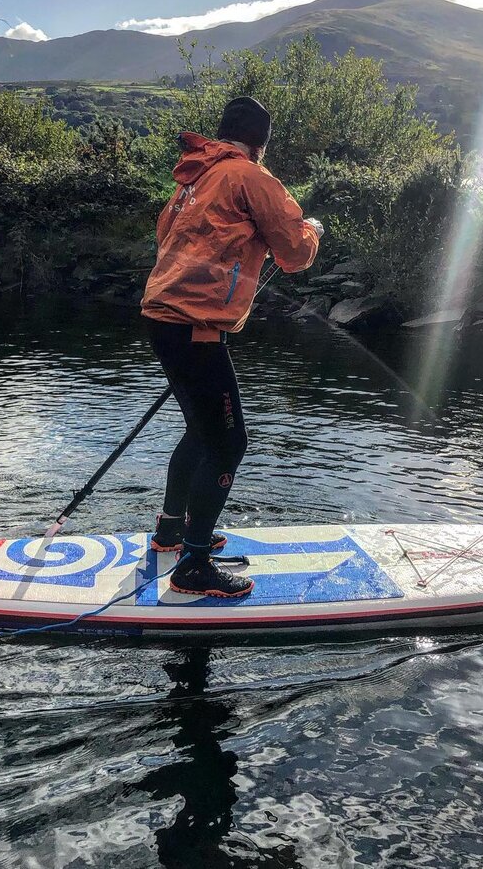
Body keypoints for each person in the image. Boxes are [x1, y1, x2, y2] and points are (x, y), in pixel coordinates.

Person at [141, 96, 323, 598]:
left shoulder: (193, 178)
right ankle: (194, 567)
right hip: (194, 326)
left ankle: (171, 532)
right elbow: (294, 253)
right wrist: (312, 231)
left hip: (162, 318)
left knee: (200, 431)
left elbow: (167, 237)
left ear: (222, 134)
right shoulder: (250, 176)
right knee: (228, 443)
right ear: (261, 144)